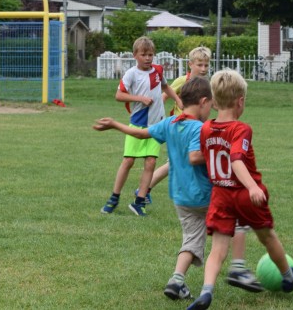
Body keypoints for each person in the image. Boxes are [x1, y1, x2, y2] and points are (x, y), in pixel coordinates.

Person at [94, 77, 261, 300]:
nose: (211, 109)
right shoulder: (198, 128)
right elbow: (194, 157)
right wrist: (225, 149)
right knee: (240, 217)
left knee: (191, 240)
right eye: (211, 105)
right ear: (203, 102)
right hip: (205, 195)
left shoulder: (170, 123)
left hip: (181, 198)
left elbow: (141, 133)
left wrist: (115, 125)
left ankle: (177, 281)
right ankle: (238, 267)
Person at [188, 69, 293, 310]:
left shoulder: (205, 128)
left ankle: (206, 291)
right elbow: (236, 159)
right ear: (240, 101)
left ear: (213, 102)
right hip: (243, 193)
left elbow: (206, 156)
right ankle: (288, 276)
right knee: (267, 236)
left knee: (218, 248)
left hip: (220, 194)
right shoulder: (241, 128)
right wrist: (252, 187)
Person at [100, 36, 183, 217]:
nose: (148, 58)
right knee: (128, 161)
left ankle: (139, 202)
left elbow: (166, 87)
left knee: (151, 161)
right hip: (137, 123)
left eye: (150, 55)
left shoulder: (158, 71)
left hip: (157, 125)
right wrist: (139, 99)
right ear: (135, 55)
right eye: (144, 54)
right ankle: (114, 198)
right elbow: (119, 95)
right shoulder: (131, 74)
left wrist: (178, 100)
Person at [146, 46, 212, 200]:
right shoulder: (183, 81)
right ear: (190, 64)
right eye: (199, 65)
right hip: (181, 127)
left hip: (197, 128)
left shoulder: (206, 83)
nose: (203, 69)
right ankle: (144, 189)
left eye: (206, 65)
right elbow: (164, 96)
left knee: (186, 162)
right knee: (173, 164)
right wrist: (159, 115)